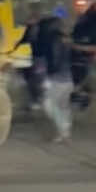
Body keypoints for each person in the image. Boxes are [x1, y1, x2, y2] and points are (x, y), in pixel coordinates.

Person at [32, 10, 72, 141]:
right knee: (62, 105)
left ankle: (63, 128)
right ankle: (65, 128)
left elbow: (53, 60)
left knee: (49, 104)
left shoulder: (51, 40)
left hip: (57, 79)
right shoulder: (65, 39)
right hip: (68, 78)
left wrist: (47, 76)